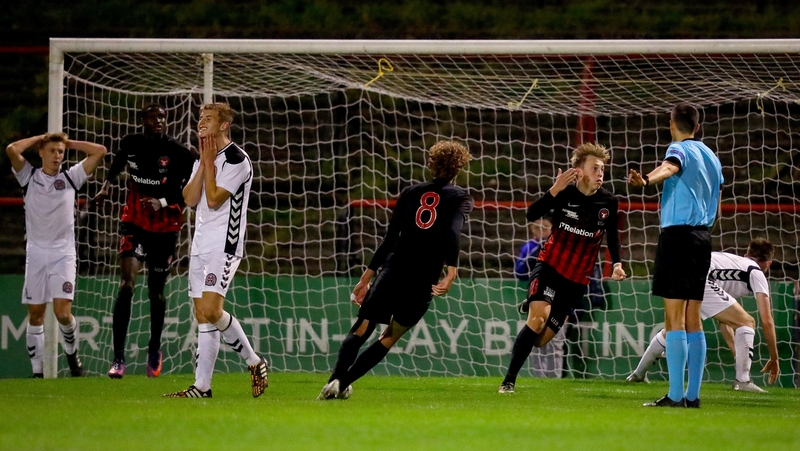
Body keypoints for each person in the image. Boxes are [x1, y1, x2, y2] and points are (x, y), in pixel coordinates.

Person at [317, 140, 474, 400]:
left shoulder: (410, 193)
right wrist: (452, 270)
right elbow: (452, 231)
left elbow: (390, 238)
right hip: (424, 276)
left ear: (431, 164)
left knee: (361, 327)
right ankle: (342, 383)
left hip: (394, 268)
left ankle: (334, 380)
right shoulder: (460, 197)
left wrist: (366, 276)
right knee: (390, 336)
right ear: (459, 167)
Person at [498, 142, 627, 394]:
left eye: (602, 169)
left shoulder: (608, 202)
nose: (600, 173)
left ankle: (532, 304)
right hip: (549, 267)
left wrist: (618, 263)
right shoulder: (564, 193)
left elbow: (612, 236)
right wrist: (554, 190)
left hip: (576, 281)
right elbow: (531, 214)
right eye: (594, 168)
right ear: (579, 170)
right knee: (537, 319)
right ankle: (508, 381)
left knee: (540, 340)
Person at [164, 102, 268, 399]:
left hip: (225, 244)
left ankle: (254, 362)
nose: (201, 122)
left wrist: (208, 163)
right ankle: (202, 387)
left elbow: (213, 199)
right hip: (200, 244)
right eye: (200, 118)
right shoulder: (204, 158)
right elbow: (189, 198)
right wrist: (204, 163)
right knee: (202, 315)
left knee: (212, 309)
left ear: (223, 125)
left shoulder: (238, 160)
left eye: (208, 118)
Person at [628, 102, 723, 408]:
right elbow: (718, 202)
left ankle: (674, 395)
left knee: (674, 319)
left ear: (672, 124)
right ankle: (692, 397)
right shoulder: (713, 157)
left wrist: (646, 179)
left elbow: (670, 166)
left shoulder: (678, 148)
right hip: (703, 238)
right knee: (694, 318)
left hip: (678, 237)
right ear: (698, 126)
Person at [92, 103, 196, 379]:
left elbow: (190, 191)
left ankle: (154, 349)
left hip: (165, 228)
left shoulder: (177, 152)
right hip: (134, 223)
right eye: (153, 116)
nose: (158, 120)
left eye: (162, 116)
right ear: (143, 120)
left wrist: (162, 201)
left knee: (155, 292)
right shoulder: (131, 143)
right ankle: (118, 358)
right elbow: (117, 163)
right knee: (127, 285)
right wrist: (106, 186)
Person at [6, 132, 107, 378]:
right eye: (52, 151)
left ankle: (72, 356)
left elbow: (100, 151)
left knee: (62, 314)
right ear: (41, 152)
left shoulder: (71, 177)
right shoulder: (29, 176)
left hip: (63, 254)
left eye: (60, 152)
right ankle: (37, 373)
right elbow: (12, 149)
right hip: (36, 254)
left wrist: (68, 143)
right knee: (35, 315)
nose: (57, 155)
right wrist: (41, 138)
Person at [627, 238, 779, 392]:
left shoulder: (734, 263)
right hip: (702, 279)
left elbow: (725, 320)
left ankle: (638, 374)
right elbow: (767, 320)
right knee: (747, 322)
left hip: (682, 270)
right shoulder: (755, 272)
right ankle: (743, 381)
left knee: (676, 328)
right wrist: (774, 358)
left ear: (746, 255)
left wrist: (737, 351)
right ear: (768, 263)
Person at [514, 215, 552, 282]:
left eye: (545, 227)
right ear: (532, 228)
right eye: (537, 228)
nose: (541, 230)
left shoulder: (560, 246)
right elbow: (519, 273)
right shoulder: (528, 247)